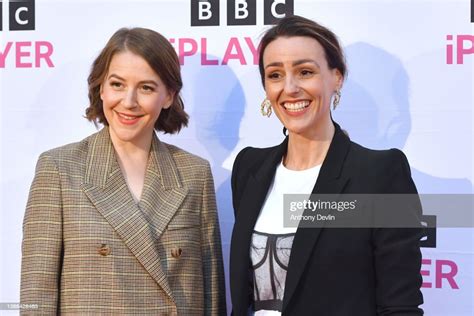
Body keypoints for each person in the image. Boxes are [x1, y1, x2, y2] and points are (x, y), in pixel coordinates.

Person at [20, 27, 226, 315]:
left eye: (146, 88)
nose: (128, 102)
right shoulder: (59, 169)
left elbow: (211, 297)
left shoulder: (194, 173)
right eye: (117, 84)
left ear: (168, 95)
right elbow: (35, 299)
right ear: (100, 88)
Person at [230, 15, 423, 315]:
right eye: (275, 75)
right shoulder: (249, 168)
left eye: (305, 71)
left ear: (337, 77)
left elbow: (400, 306)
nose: (290, 88)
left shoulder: (380, 174)